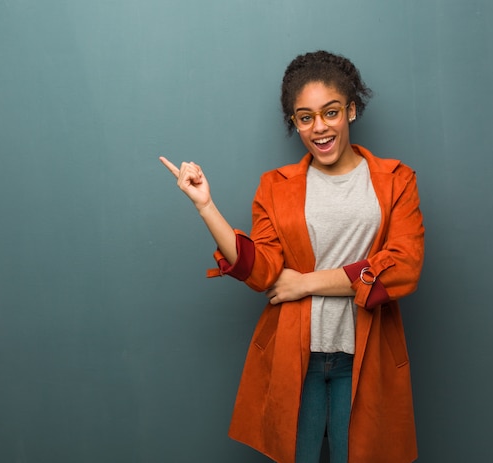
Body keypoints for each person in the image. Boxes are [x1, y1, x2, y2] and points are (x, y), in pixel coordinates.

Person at [160, 50, 424, 463]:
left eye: (331, 112)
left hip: (366, 355)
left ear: (351, 111)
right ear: (295, 124)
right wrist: (205, 206)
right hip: (295, 356)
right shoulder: (275, 187)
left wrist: (305, 282)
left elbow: (403, 268)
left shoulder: (397, 180)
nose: (319, 127)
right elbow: (263, 271)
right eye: (305, 117)